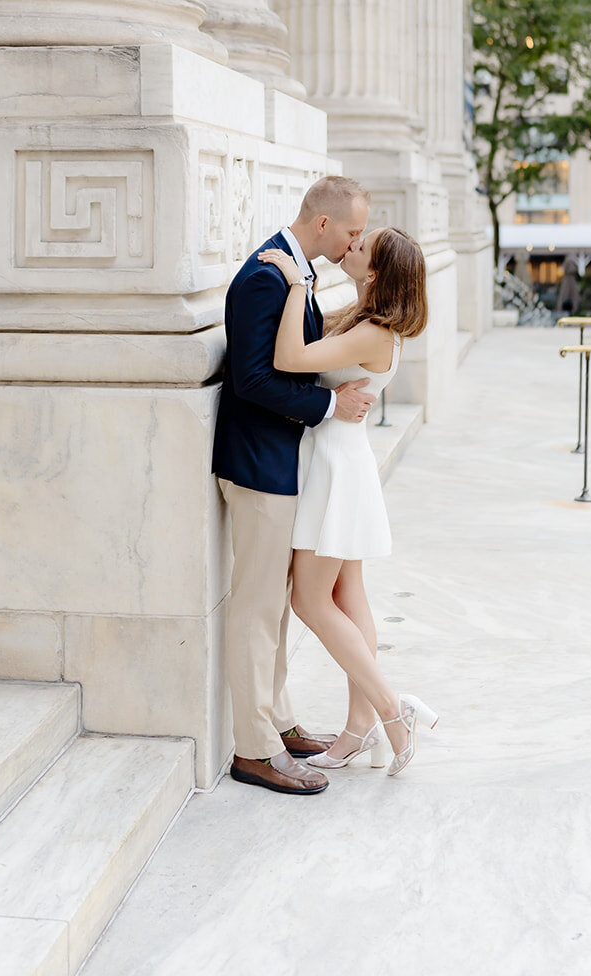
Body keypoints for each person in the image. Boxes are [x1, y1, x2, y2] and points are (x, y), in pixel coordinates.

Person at [213, 175, 376, 795]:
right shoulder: (264, 276)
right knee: (256, 609)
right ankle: (253, 751)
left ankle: (277, 725)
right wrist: (331, 405)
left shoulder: (296, 273)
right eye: (353, 231)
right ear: (323, 224)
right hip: (258, 466)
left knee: (275, 608)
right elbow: (253, 380)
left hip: (282, 463)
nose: (356, 241)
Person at [257, 226, 439, 776]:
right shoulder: (366, 321)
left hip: (336, 465)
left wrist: (294, 283)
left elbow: (289, 358)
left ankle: (390, 706)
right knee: (348, 592)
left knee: (310, 602)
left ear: (378, 273)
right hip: (339, 459)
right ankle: (361, 726)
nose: (353, 243)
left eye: (365, 246)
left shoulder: (375, 333)